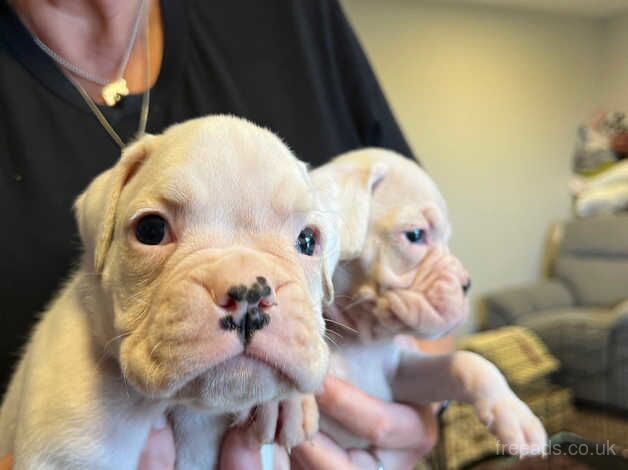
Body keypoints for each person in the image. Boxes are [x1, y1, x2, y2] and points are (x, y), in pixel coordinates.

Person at [0, 1, 440, 468]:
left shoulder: (293, 15)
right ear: (97, 245)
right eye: (154, 230)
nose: (245, 295)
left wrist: (410, 412)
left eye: (305, 241)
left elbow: (426, 265)